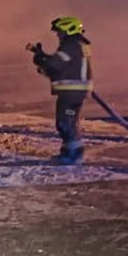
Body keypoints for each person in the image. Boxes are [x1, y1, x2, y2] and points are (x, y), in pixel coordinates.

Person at [29, 16, 92, 164]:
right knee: (65, 122)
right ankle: (68, 152)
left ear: (69, 30)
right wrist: (43, 61)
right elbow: (62, 66)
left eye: (60, 32)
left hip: (72, 91)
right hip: (73, 91)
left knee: (66, 123)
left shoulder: (71, 45)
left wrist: (41, 58)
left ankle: (74, 154)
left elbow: (55, 64)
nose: (58, 35)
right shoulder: (77, 44)